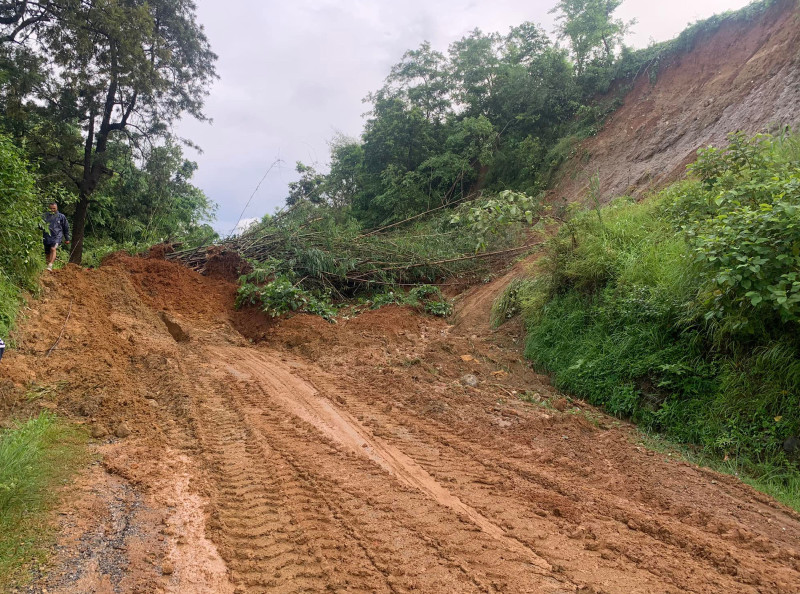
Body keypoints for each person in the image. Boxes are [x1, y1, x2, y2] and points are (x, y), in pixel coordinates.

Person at [43, 202, 70, 271]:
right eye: (51, 208)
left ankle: (50, 264)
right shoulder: (44, 216)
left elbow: (66, 227)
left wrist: (67, 238)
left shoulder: (61, 216)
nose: (52, 210)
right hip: (46, 236)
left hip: (57, 236)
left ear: (57, 208)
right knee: (47, 253)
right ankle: (48, 269)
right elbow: (40, 226)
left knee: (53, 249)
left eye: (54, 208)